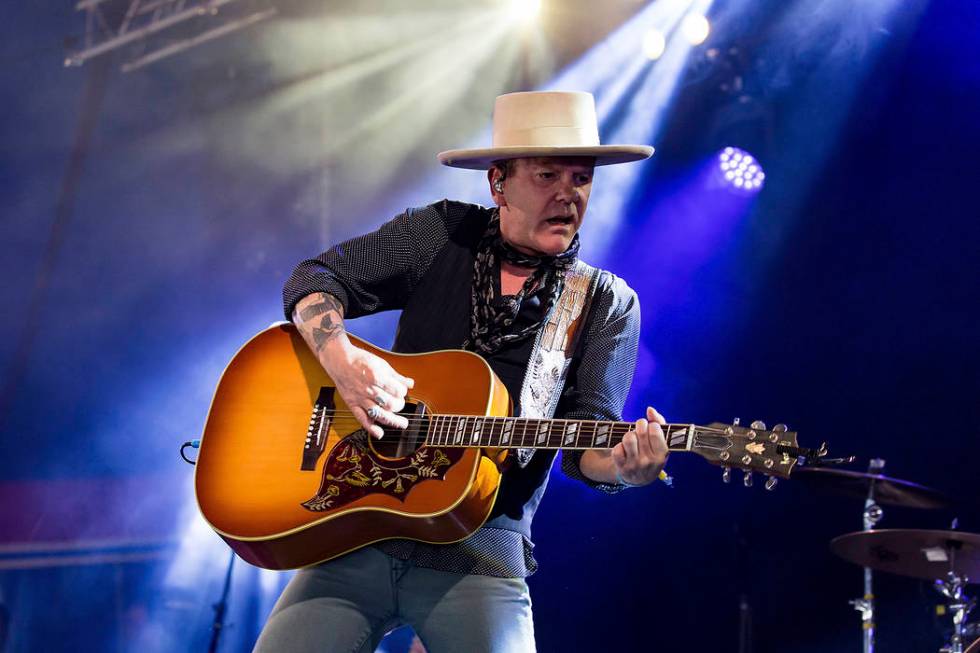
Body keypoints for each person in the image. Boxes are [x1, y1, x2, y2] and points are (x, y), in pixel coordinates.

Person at [253, 91, 669, 653]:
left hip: (482, 553)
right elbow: (314, 276)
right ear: (498, 182)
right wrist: (342, 360)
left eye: (581, 177)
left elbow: (586, 448)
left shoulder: (605, 303)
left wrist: (623, 470)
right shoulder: (439, 235)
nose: (569, 195)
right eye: (548, 174)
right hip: (359, 533)